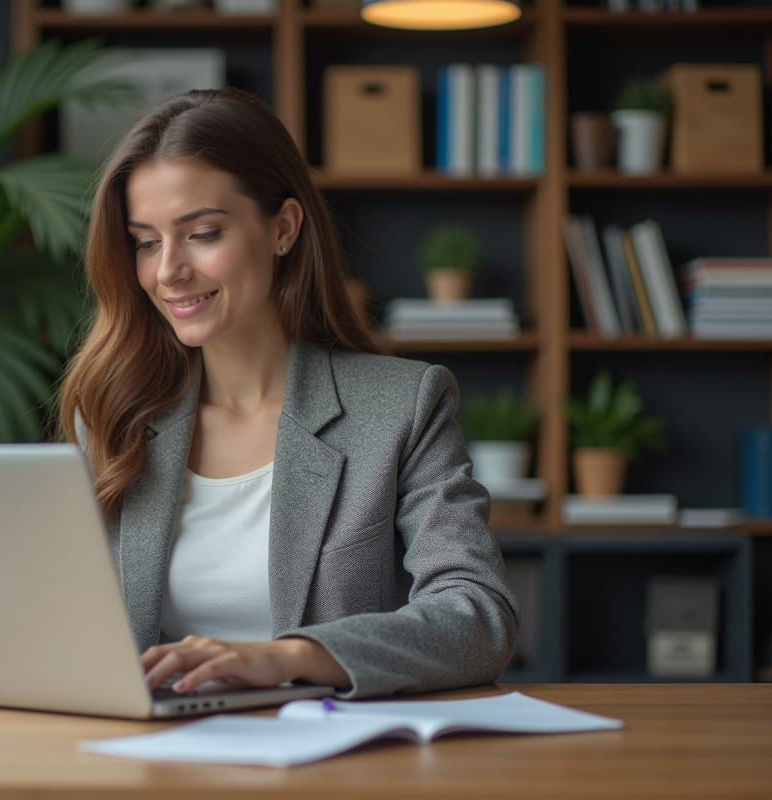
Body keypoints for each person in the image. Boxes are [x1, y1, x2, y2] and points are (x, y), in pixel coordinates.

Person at [58, 88, 519, 699]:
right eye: (146, 241)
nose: (167, 270)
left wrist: (288, 658)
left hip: (324, 764)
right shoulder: (114, 416)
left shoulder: (403, 407)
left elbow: (480, 613)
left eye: (201, 233)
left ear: (283, 228)